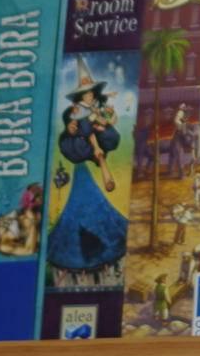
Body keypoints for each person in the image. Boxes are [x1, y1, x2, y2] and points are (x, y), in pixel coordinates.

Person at [47, 71, 129, 287]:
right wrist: (78, 128)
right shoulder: (73, 113)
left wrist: (102, 124)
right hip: (81, 156)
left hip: (96, 157)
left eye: (91, 93)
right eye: (85, 94)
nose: (89, 96)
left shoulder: (98, 110)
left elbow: (111, 135)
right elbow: (72, 132)